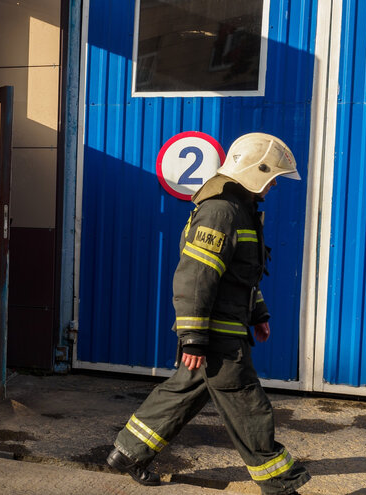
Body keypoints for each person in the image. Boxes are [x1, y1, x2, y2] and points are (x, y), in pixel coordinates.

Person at [106, 133, 311, 495]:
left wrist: (258, 313)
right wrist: (194, 337)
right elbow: (195, 277)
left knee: (187, 390)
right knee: (247, 404)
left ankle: (128, 452)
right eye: (272, 175)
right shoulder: (221, 211)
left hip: (225, 326)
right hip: (216, 333)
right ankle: (281, 484)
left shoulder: (239, 208)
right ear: (254, 170)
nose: (275, 183)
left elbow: (241, 275)